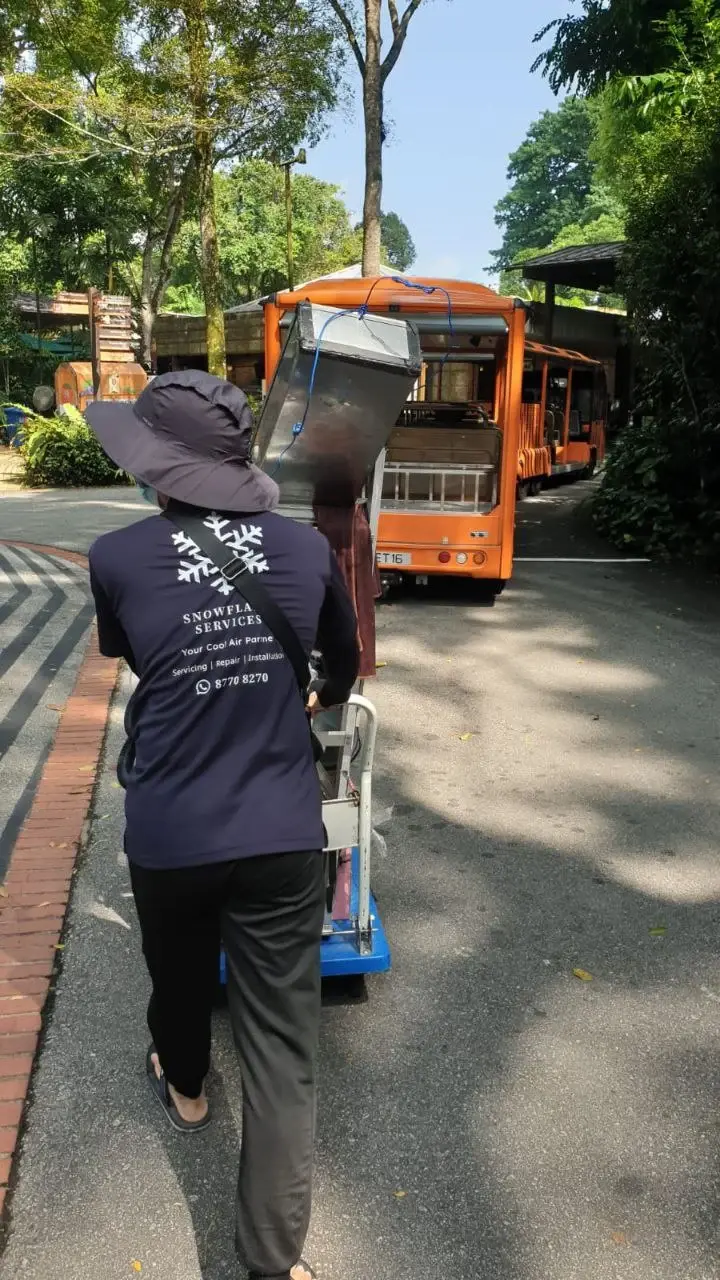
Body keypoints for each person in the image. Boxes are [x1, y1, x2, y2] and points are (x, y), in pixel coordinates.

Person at [85, 370, 360, 1280]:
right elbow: (342, 663)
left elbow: (127, 651)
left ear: (155, 468)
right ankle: (271, 1264)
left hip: (169, 828)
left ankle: (190, 1090)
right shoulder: (307, 550)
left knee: (175, 973)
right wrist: (310, 693)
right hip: (280, 831)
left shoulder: (118, 557)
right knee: (284, 1049)